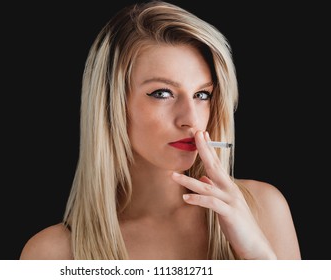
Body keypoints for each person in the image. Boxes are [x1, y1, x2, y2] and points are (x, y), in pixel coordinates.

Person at [19, 0, 301, 260]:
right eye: (163, 93)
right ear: (110, 104)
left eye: (202, 95)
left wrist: (258, 256)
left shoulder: (264, 209)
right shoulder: (53, 253)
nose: (190, 119)